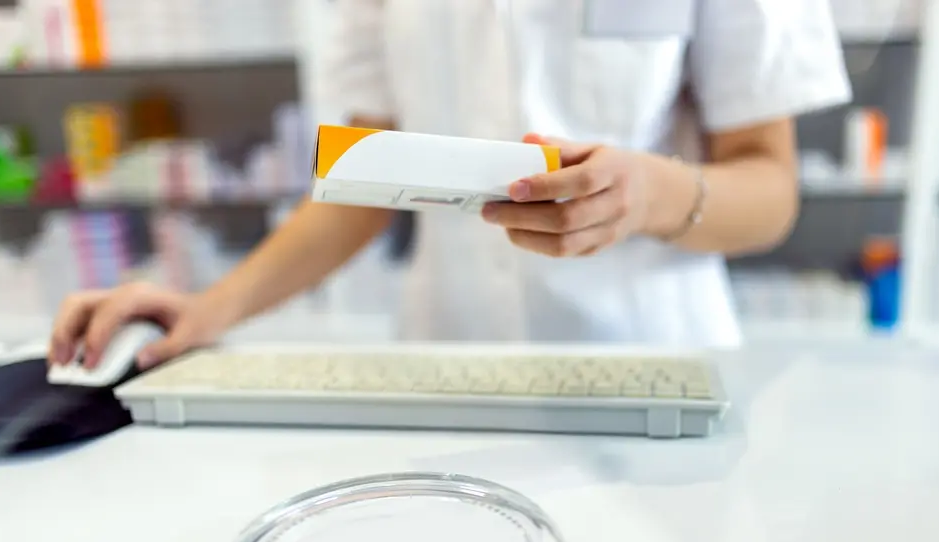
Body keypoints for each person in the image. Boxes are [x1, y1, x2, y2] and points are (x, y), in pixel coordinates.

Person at [49, 0, 851, 370]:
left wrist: (647, 195)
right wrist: (207, 307)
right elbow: (364, 181)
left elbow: (770, 188)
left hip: (653, 363)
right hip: (454, 362)